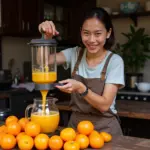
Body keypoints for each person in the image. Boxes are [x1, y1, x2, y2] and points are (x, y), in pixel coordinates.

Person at [38, 7, 125, 135]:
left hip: (105, 129)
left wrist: (81, 88)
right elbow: (43, 62)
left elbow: (104, 105)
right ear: (81, 32)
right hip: (75, 129)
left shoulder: (115, 61)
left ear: (108, 33)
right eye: (86, 33)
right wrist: (45, 37)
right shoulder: (74, 53)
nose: (91, 40)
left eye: (98, 34)